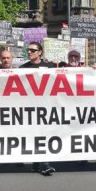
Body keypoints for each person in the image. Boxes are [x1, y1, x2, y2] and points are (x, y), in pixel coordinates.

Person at [19, 42, 56, 176]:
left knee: (44, 135)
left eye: (32, 50)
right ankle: (37, 163)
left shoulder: (50, 66)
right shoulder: (23, 68)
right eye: (28, 50)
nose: (29, 52)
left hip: (46, 107)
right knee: (35, 135)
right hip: (30, 108)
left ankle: (44, 164)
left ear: (40, 52)